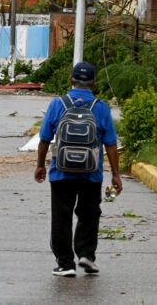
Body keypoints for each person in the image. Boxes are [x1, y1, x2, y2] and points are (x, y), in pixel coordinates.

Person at [34, 61, 122, 277]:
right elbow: (110, 144)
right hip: (91, 174)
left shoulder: (58, 104)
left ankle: (65, 264)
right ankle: (86, 255)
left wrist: (40, 166)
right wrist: (116, 174)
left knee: (61, 216)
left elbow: (44, 139)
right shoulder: (100, 107)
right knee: (89, 213)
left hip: (61, 172)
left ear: (71, 80)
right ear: (93, 82)